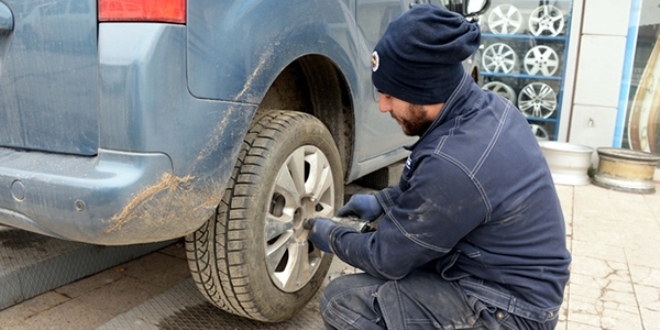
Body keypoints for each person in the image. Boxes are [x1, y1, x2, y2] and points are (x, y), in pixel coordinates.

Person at [307, 4, 571, 330]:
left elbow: (386, 259)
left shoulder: (456, 163)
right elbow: (431, 195)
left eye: (392, 94)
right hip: (510, 285)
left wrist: (331, 236)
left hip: (509, 311)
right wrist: (381, 203)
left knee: (343, 300)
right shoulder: (484, 110)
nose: (382, 104)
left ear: (425, 90)